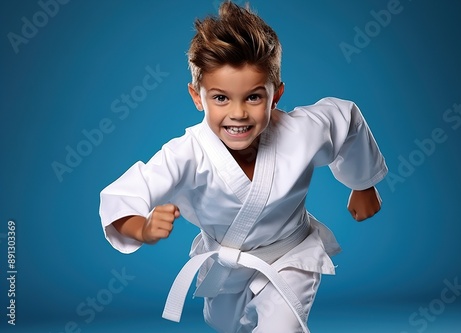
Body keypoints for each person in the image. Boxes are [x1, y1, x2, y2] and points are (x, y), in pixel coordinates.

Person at [99, 1, 388, 332]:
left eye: (253, 97)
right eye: (221, 98)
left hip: (291, 254)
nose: (238, 113)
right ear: (198, 97)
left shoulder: (302, 131)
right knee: (223, 322)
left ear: (276, 94)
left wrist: (362, 183)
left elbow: (346, 118)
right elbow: (124, 195)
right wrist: (143, 228)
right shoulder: (186, 154)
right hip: (227, 261)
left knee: (281, 326)